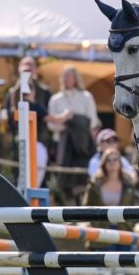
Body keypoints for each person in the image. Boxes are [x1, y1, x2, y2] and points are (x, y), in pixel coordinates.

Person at [48, 66, 101, 204]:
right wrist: (65, 121)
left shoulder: (86, 96)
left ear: (75, 78)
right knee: (65, 178)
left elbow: (93, 121)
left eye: (69, 76)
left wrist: (76, 122)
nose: (66, 79)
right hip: (63, 145)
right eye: (64, 76)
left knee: (83, 177)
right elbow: (51, 125)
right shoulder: (56, 99)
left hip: (83, 145)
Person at [5, 55, 52, 187]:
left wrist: (33, 103)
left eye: (30, 69)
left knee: (38, 180)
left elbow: (47, 115)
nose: (28, 73)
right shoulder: (12, 92)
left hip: (40, 140)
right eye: (25, 70)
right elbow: (10, 119)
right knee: (19, 178)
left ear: (35, 70)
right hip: (20, 140)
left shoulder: (45, 91)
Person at [81, 147, 139, 250]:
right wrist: (95, 225)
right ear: (104, 162)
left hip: (124, 230)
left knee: (125, 264)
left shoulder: (128, 183)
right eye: (108, 160)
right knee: (105, 264)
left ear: (120, 162)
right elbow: (86, 206)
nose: (112, 163)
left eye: (115, 159)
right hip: (102, 232)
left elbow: (136, 203)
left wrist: (130, 223)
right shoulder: (95, 183)